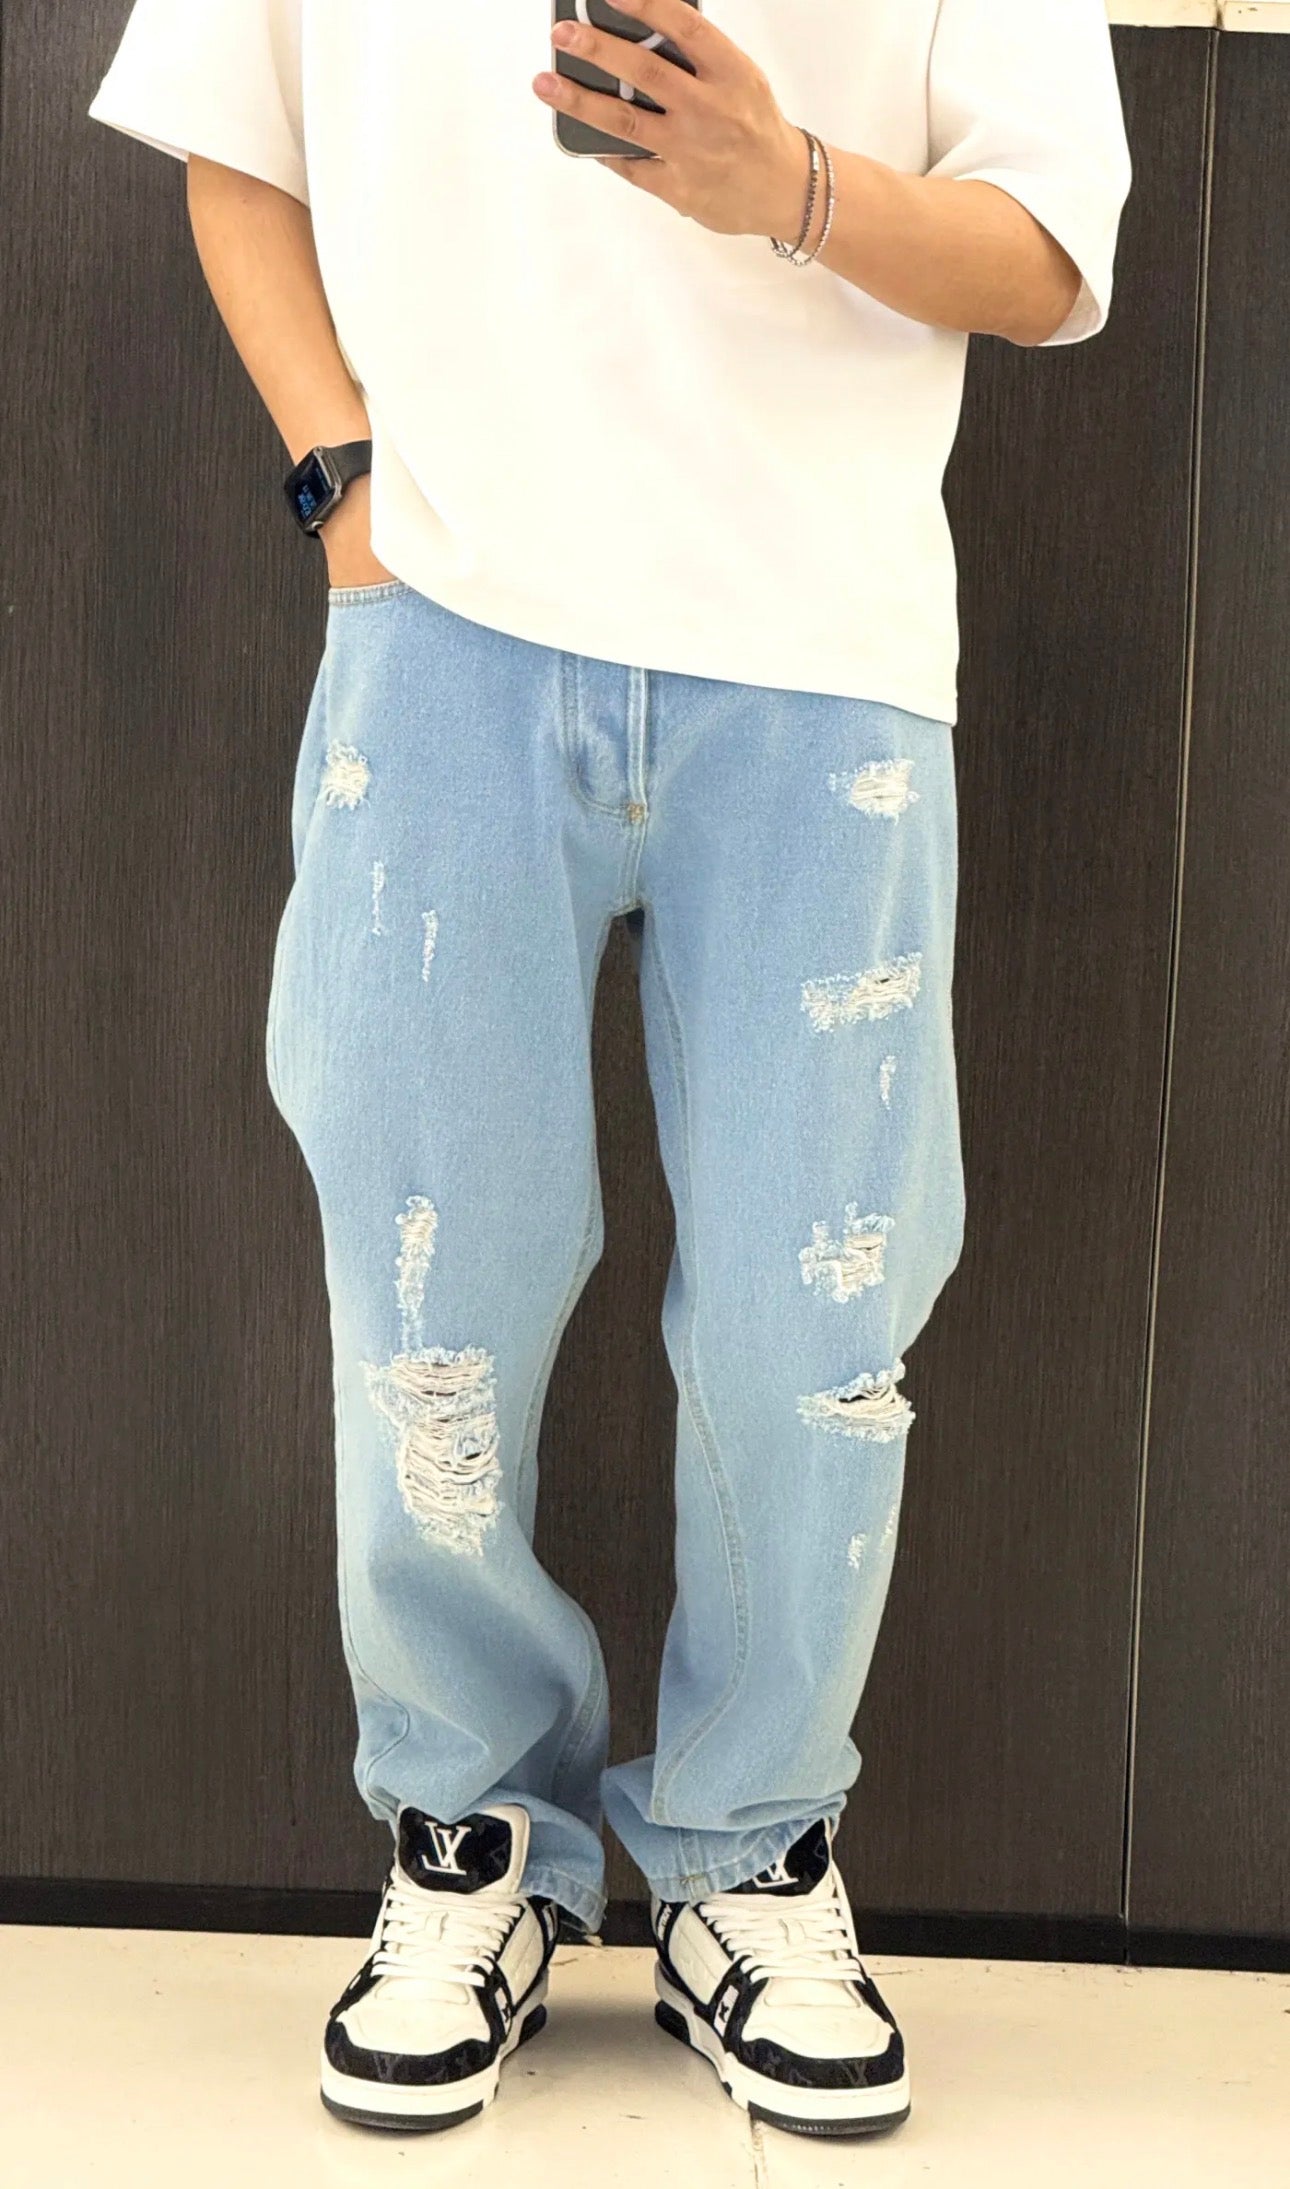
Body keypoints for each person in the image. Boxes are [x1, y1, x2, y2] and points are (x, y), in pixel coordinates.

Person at [90, 0, 1131, 2143]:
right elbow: (231, 135)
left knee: (811, 1321)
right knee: (432, 1296)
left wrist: (788, 186)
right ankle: (465, 1831)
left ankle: (753, 1849)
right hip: (443, 623)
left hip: (822, 653)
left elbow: (1048, 253)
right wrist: (342, 484)